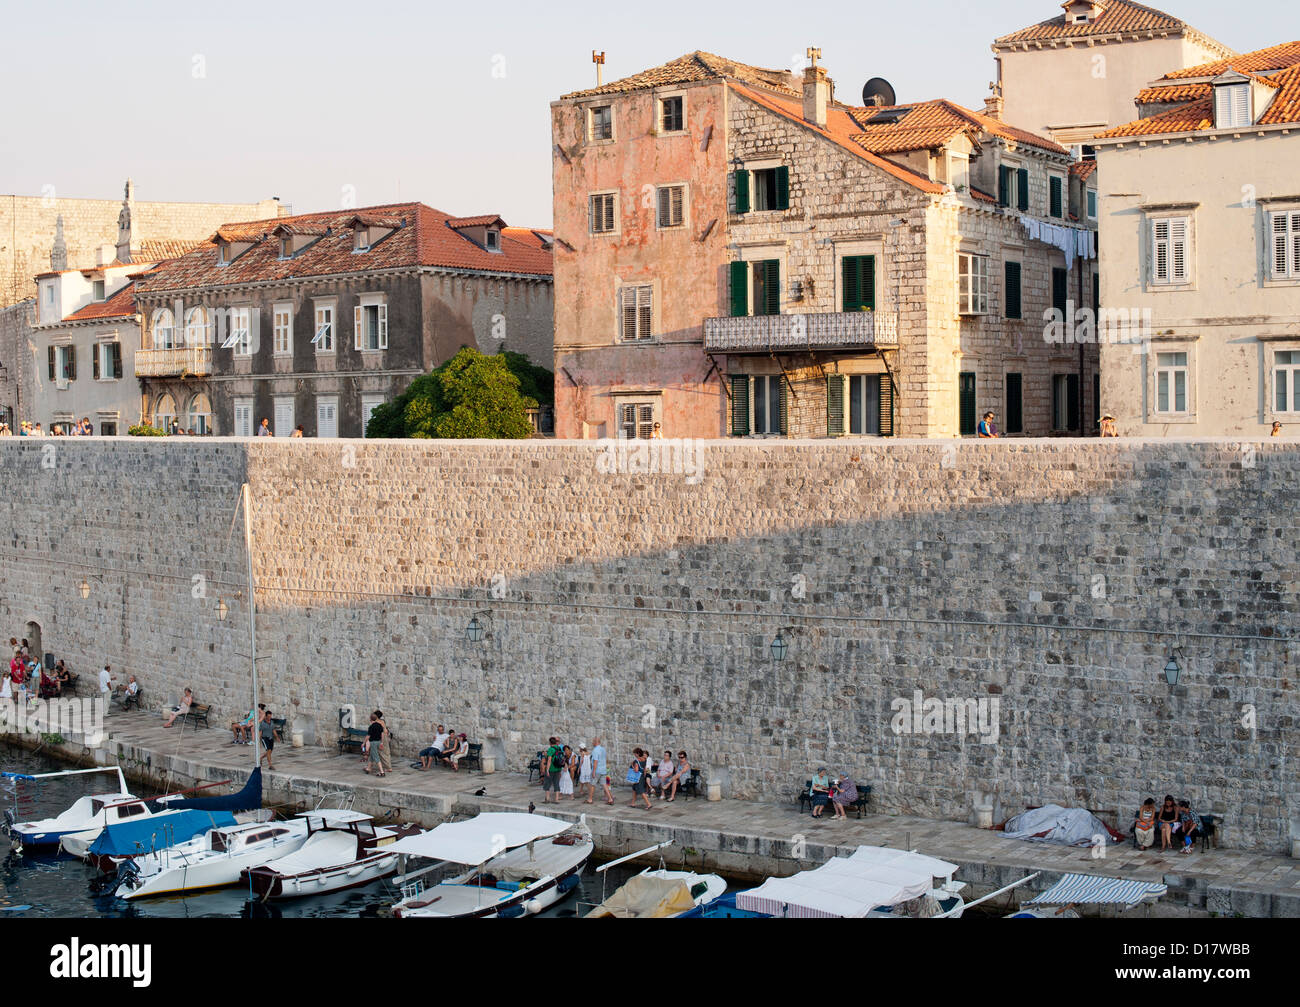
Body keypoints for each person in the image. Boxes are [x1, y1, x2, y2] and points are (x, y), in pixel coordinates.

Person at [541, 736, 564, 803]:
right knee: (556, 783)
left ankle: (547, 799)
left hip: (551, 769)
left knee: (547, 783)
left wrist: (547, 769)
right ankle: (556, 799)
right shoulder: (559, 748)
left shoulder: (551, 749)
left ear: (550, 743)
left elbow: (549, 760)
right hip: (558, 768)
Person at [591, 737, 612, 805]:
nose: (592, 743)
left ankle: (590, 799)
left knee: (592, 784)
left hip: (597, 770)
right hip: (603, 769)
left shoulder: (595, 750)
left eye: (593, 741)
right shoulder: (603, 749)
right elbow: (605, 759)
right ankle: (610, 799)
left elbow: (595, 761)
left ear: (595, 742)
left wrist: (593, 771)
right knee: (604, 784)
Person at [374, 710, 392, 775]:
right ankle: (386, 766)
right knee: (384, 752)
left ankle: (388, 767)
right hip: (385, 736)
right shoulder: (382, 721)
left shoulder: (377, 722)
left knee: (383, 752)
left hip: (381, 737)